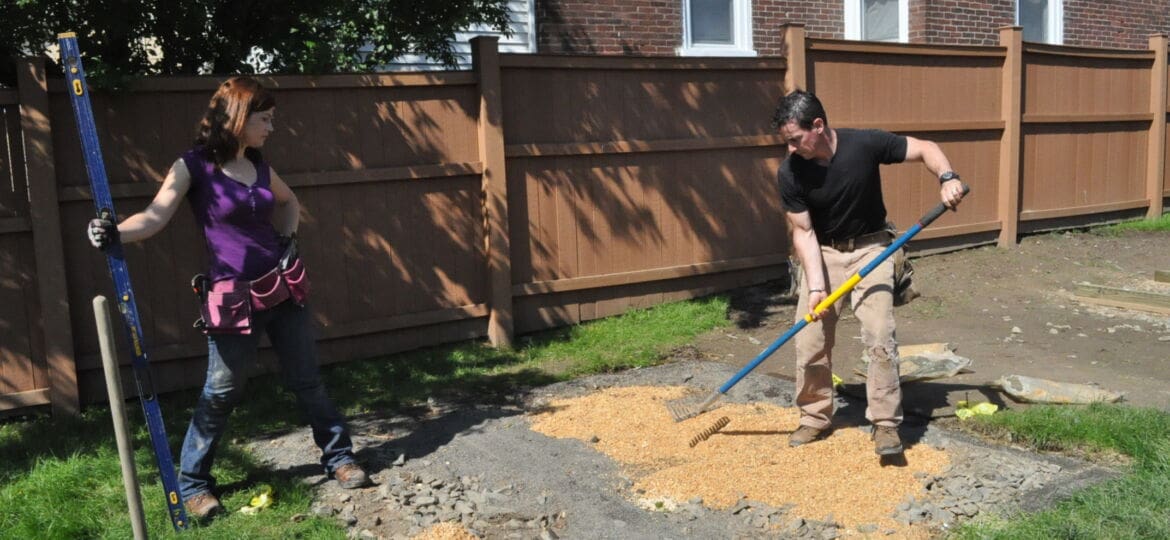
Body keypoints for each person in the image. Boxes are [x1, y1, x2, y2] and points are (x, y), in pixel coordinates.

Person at [86, 77, 368, 519]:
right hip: (232, 299)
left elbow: (290, 202)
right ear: (239, 116)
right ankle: (194, 485)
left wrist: (289, 241)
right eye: (265, 118)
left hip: (282, 289)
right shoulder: (193, 166)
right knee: (220, 391)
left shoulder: (259, 165)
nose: (271, 127)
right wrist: (114, 232)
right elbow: (155, 216)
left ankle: (340, 458)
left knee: (307, 380)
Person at [771, 90, 966, 456]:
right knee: (810, 339)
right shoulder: (790, 171)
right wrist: (816, 288)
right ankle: (814, 417)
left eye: (795, 140)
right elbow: (803, 232)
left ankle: (885, 425)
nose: (792, 149)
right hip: (824, 253)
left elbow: (925, 148)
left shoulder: (865, 144)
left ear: (818, 125)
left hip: (873, 250)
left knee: (879, 334)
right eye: (787, 142)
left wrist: (947, 176)